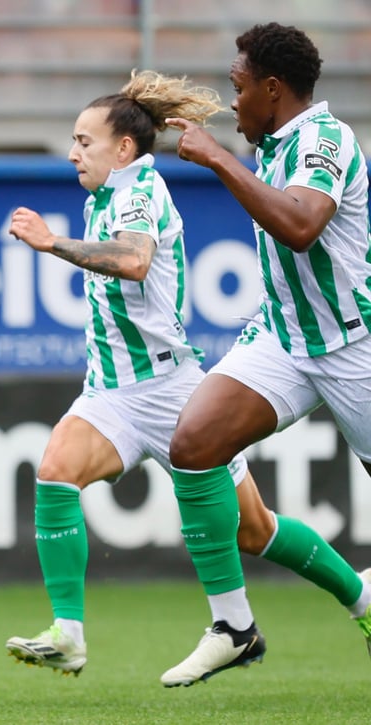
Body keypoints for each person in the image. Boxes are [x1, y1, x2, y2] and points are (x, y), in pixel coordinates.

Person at [1, 69, 370, 683]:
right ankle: (69, 633)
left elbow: (133, 259)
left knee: (255, 530)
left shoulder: (139, 190)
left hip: (171, 389)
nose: (72, 153)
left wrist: (50, 242)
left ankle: (358, 599)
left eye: (84, 142)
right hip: (112, 393)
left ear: (124, 148)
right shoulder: (103, 197)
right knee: (56, 470)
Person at [161, 22, 371, 687]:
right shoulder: (277, 147)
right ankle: (234, 626)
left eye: (240, 86)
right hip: (285, 337)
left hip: (354, 342)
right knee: (194, 442)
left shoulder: (325, 140)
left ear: (273, 89)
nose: (233, 100)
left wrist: (220, 159)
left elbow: (302, 225)